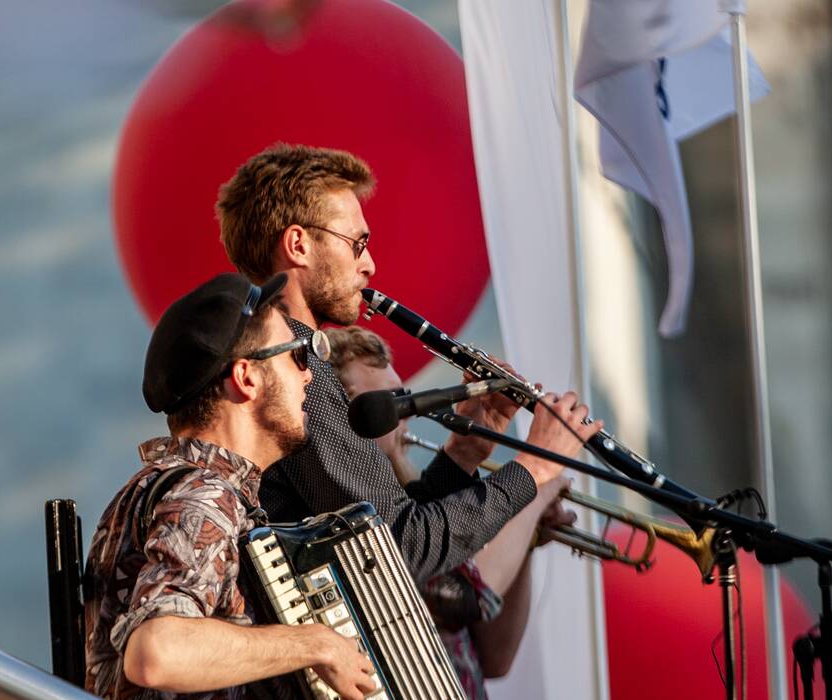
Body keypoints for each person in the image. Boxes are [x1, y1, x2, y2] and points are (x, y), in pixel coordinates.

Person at [214, 143, 601, 582]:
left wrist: (464, 454)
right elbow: (400, 549)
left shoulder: (294, 363)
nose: (370, 265)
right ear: (299, 244)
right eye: (357, 244)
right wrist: (537, 467)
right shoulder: (296, 375)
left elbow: (395, 522)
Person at [82, 272, 375, 700]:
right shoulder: (204, 494)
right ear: (246, 378)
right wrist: (316, 644)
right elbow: (157, 652)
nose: (309, 376)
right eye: (296, 356)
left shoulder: (178, 488)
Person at [325, 325, 568, 700]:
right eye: (388, 402)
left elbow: (496, 657)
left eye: (403, 398)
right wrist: (537, 484)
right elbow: (461, 594)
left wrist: (526, 538)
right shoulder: (363, 512)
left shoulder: (417, 502)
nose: (405, 415)